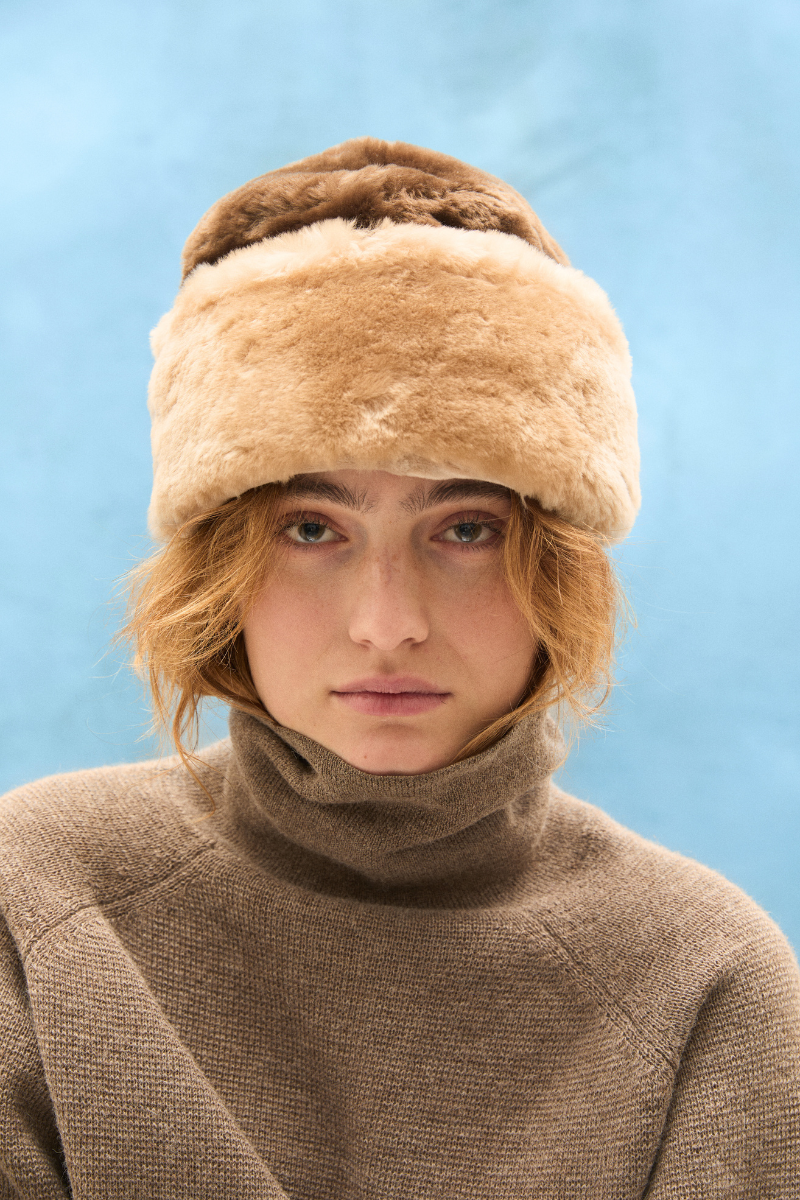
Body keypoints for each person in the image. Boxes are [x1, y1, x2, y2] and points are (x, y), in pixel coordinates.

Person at [0, 139, 797, 1199]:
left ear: (556, 566)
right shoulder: (41, 899)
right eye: (311, 529)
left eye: (465, 528)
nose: (387, 625)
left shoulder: (707, 980)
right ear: (220, 566)